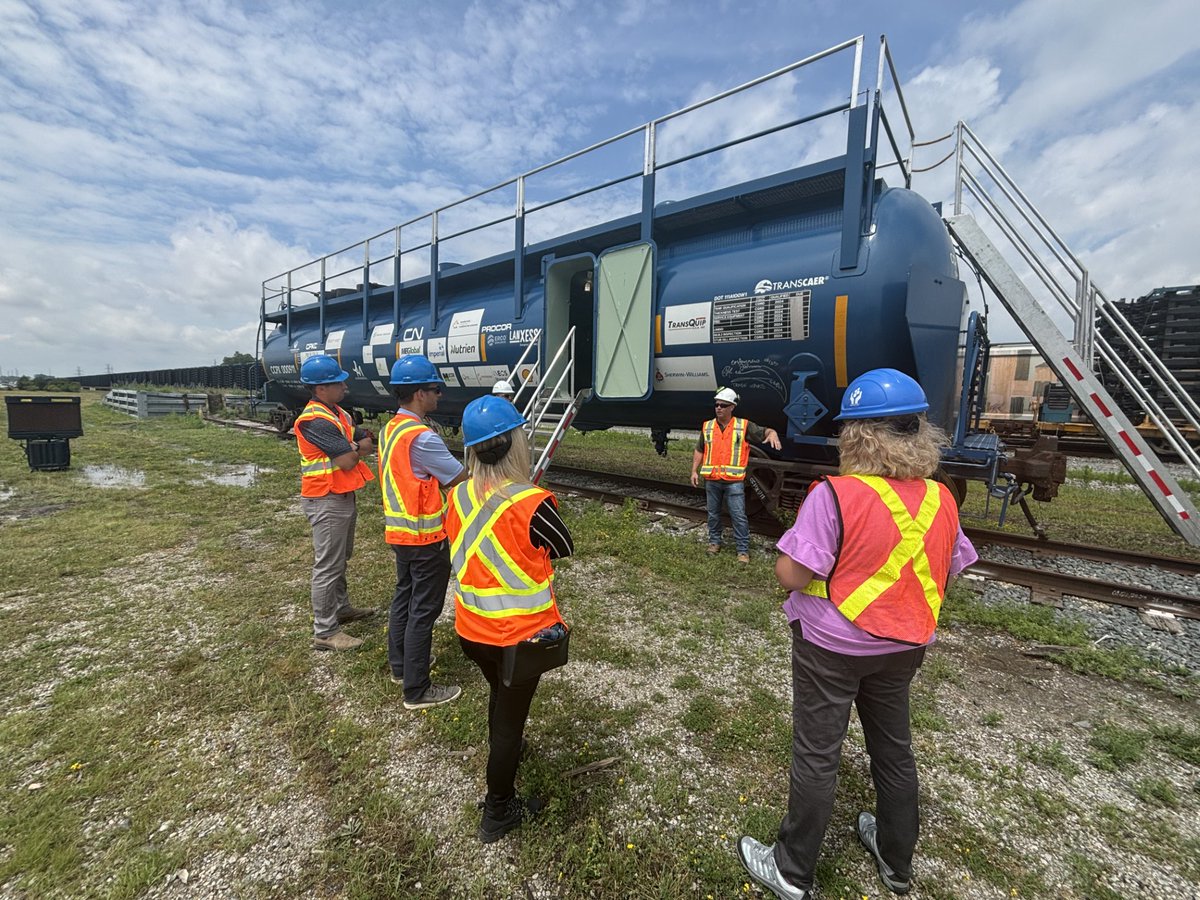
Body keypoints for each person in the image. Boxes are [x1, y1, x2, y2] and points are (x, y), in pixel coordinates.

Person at [737, 368, 978, 900]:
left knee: (817, 754)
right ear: (920, 433)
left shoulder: (836, 496)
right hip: (906, 646)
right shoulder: (942, 499)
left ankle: (792, 872)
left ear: (857, 435)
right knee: (894, 751)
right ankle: (896, 864)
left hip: (831, 648)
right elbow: (949, 568)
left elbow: (793, 575)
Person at [444, 395, 574, 843]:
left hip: (471, 630)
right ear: (517, 442)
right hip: (520, 638)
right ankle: (498, 810)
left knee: (500, 699)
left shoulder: (456, 495)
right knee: (509, 721)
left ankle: (508, 749)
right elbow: (563, 548)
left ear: (473, 450)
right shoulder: (532, 502)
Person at [379, 354, 467, 709]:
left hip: (401, 533)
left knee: (405, 597)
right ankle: (416, 690)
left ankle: (401, 666)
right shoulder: (422, 437)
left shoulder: (391, 429)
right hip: (426, 536)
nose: (439, 396)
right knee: (424, 609)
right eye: (434, 389)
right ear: (418, 394)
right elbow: (458, 478)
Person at [294, 355, 377, 652]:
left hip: (341, 496)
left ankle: (341, 609)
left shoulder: (338, 414)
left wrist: (355, 444)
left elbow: (367, 439)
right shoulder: (315, 421)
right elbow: (347, 459)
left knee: (341, 557)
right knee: (328, 565)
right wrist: (355, 446)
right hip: (326, 499)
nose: (344, 385)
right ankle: (325, 631)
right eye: (337, 382)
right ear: (320, 389)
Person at [690, 387, 782, 563]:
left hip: (734, 482)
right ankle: (714, 543)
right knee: (713, 514)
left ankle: (742, 551)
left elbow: (766, 431)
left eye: (723, 405)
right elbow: (700, 449)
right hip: (712, 480)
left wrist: (773, 434)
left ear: (732, 407)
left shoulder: (743, 426)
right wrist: (694, 470)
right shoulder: (708, 426)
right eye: (717, 405)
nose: (719, 408)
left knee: (738, 515)